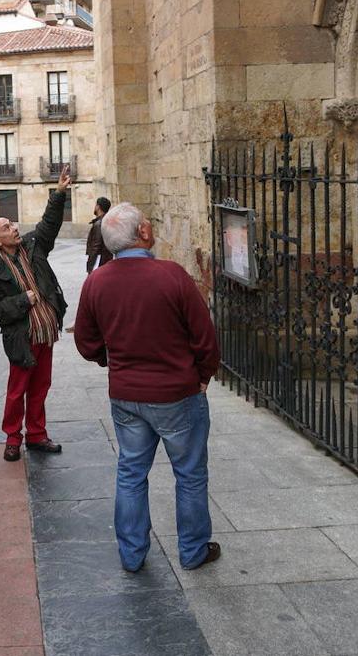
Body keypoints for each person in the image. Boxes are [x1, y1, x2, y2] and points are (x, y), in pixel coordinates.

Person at [72, 203, 222, 573]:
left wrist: (113, 363)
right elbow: (205, 338)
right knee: (189, 474)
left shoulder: (97, 282)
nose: (151, 226)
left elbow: (86, 343)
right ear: (142, 233)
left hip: (127, 395)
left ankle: (132, 554)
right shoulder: (171, 275)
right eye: (147, 223)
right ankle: (192, 550)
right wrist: (202, 376)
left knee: (131, 472)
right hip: (177, 394)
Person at [0, 165, 71, 462]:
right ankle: (12, 438)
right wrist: (22, 300)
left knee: (41, 386)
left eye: (12, 223)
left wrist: (58, 194)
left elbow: (49, 224)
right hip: (22, 336)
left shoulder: (33, 247)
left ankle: (36, 434)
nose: (14, 228)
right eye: (6, 227)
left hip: (45, 332)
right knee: (18, 389)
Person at [85, 197, 114, 272]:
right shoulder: (107, 221)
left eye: (95, 205)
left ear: (98, 207)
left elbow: (96, 246)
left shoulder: (99, 224)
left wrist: (90, 266)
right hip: (106, 260)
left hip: (100, 262)